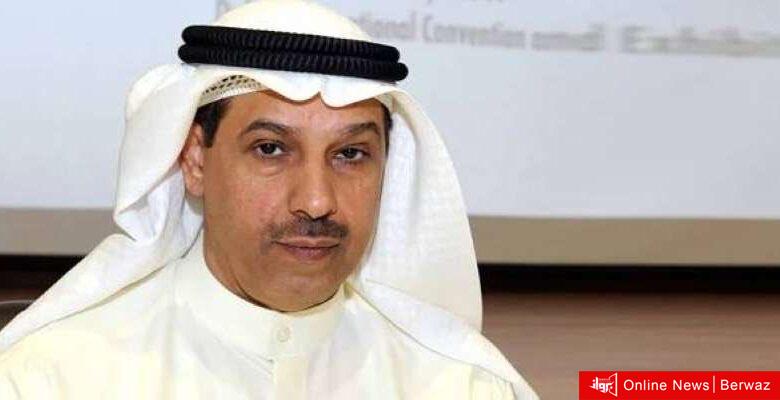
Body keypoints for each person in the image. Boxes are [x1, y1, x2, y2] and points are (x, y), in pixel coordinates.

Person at [0, 1, 538, 398]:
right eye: (271, 148)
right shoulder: (52, 378)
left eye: (350, 154)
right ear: (194, 159)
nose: (317, 201)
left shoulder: (459, 384)